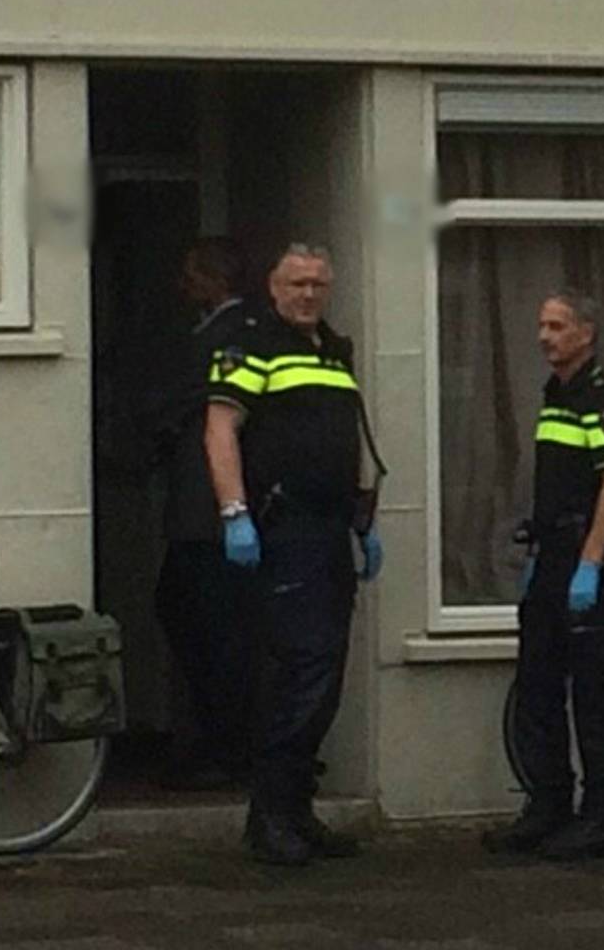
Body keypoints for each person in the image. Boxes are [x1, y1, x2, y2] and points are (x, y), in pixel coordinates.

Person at [203, 244, 384, 866]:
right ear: (273, 287)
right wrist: (235, 513)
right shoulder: (252, 344)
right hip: (285, 532)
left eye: (318, 284)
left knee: (325, 677)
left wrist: (363, 521)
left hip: (331, 530)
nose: (308, 294)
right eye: (297, 283)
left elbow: (347, 440)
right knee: (297, 672)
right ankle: (270, 818)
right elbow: (220, 428)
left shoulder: (332, 350)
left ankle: (297, 811)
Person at [482, 289, 604, 861]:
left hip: (583, 559)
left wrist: (590, 564)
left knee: (592, 694)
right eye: (541, 325)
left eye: (556, 326)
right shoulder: (556, 396)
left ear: (585, 333)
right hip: (550, 559)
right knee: (538, 688)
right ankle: (547, 806)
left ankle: (602, 817)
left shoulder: (602, 398)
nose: (544, 336)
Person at [153, 236, 260, 789]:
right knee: (194, 619)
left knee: (213, 630)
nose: (183, 285)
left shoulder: (231, 336)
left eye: (192, 274)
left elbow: (186, 404)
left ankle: (226, 749)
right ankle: (220, 743)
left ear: (216, 280)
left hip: (208, 512)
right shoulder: (215, 332)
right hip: (199, 510)